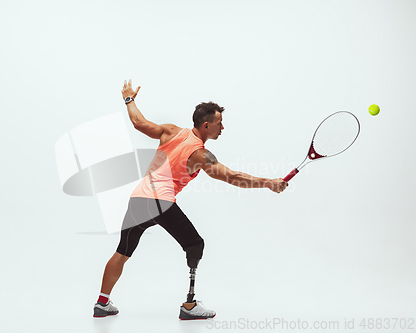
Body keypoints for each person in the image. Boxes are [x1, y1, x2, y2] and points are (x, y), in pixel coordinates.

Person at [93, 80, 288, 320]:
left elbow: (138, 123)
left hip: (138, 198)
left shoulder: (171, 131)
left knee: (123, 251)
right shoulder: (200, 154)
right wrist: (268, 183)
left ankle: (102, 303)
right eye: (219, 123)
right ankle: (189, 306)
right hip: (159, 202)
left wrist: (129, 98)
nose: (223, 128)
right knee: (195, 244)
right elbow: (232, 177)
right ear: (206, 125)